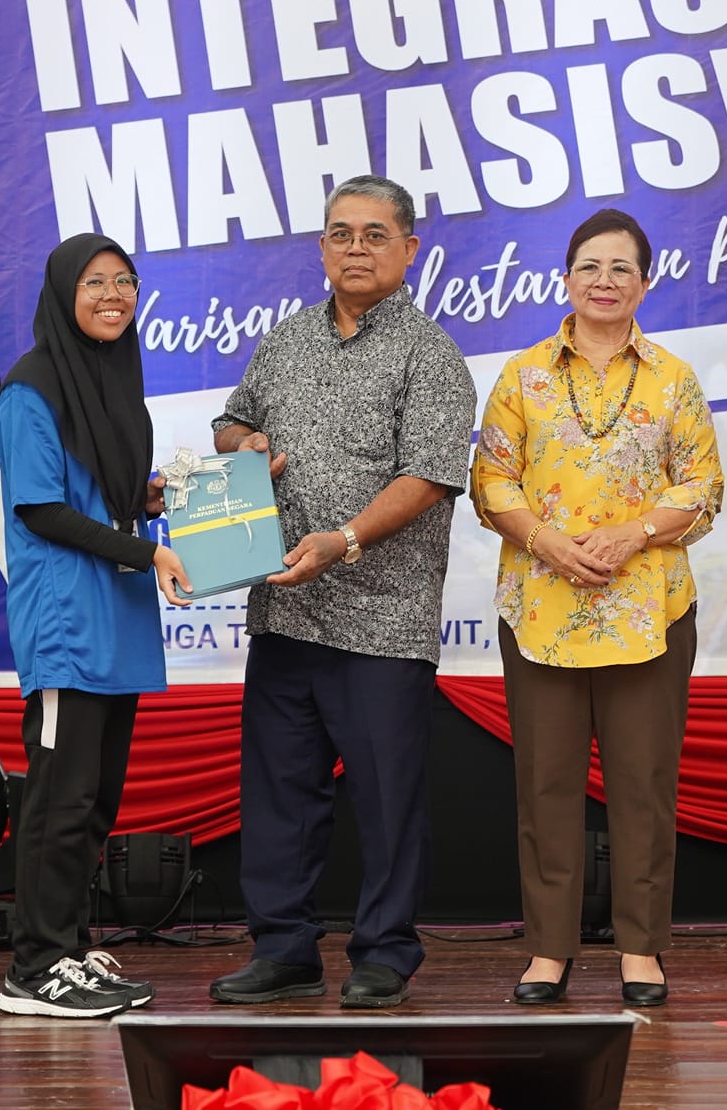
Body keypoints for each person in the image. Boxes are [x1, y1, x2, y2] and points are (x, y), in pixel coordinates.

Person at [206, 175, 477, 1010]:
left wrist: (345, 541)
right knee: (280, 796)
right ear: (321, 246)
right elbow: (230, 421)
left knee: (387, 800)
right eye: (340, 233)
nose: (356, 248)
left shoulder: (430, 353)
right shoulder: (285, 338)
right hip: (284, 607)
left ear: (409, 249)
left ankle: (386, 951)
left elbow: (429, 476)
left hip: (381, 620)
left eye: (374, 234)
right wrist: (243, 441)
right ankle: (282, 948)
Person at [471, 209, 723, 1007]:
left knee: (643, 787)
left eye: (621, 268)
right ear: (566, 279)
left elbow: (704, 487)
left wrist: (632, 533)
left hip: (647, 611)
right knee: (545, 786)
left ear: (645, 283)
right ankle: (549, 950)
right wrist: (545, 540)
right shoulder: (523, 375)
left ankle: (641, 949)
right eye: (590, 266)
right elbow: (490, 480)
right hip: (541, 610)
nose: (604, 281)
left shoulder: (674, 378)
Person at [0, 234, 194, 1020]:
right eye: (95, 281)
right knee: (59, 798)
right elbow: (42, 507)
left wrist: (149, 497)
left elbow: (96, 489)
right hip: (67, 624)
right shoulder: (31, 388)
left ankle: (68, 946)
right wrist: (149, 550)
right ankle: (35, 967)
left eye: (125, 281)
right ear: (62, 292)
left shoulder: (113, 377)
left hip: (117, 617)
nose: (113, 295)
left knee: (96, 799)